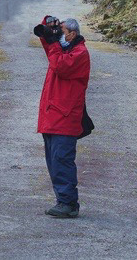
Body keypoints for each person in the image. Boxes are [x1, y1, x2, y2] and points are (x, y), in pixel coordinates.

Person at [35, 17, 90, 218]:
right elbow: (49, 45)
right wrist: (49, 25)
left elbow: (60, 66)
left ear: (73, 34)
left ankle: (68, 203)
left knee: (62, 160)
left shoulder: (80, 54)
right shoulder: (63, 49)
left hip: (65, 118)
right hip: (53, 116)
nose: (59, 36)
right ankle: (63, 201)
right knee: (53, 161)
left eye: (63, 31)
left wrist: (55, 42)